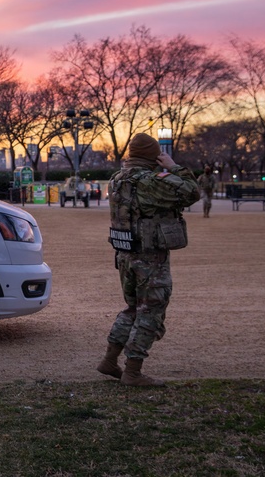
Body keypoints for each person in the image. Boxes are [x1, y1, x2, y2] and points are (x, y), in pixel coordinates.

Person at [98, 133, 199, 387]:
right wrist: (173, 166)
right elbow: (192, 191)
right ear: (153, 156)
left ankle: (110, 360)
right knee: (151, 312)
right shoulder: (150, 181)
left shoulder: (118, 179)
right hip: (149, 257)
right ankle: (133, 371)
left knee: (133, 309)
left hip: (125, 255)